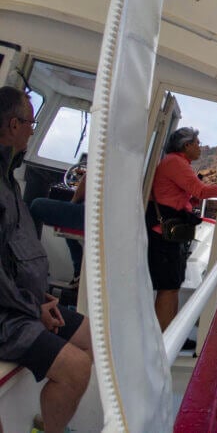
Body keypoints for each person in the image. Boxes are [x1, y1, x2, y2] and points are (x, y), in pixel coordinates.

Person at [0, 87, 92, 433]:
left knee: (88, 337)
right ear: (12, 125)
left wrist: (41, 298)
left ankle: (49, 417)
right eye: (30, 122)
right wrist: (31, 308)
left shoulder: (8, 177)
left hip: (22, 304)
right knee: (76, 367)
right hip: (8, 314)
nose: (32, 129)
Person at [147, 127, 217, 331]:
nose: (200, 147)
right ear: (186, 145)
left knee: (172, 286)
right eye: (197, 143)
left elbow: (182, 194)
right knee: (169, 287)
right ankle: (162, 339)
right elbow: (201, 190)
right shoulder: (176, 163)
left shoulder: (176, 162)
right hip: (164, 234)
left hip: (168, 232)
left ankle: (168, 332)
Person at [30, 171, 86, 281]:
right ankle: (78, 271)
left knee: (37, 205)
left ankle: (31, 261)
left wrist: (72, 203)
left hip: (89, 215)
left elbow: (86, 179)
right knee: (66, 220)